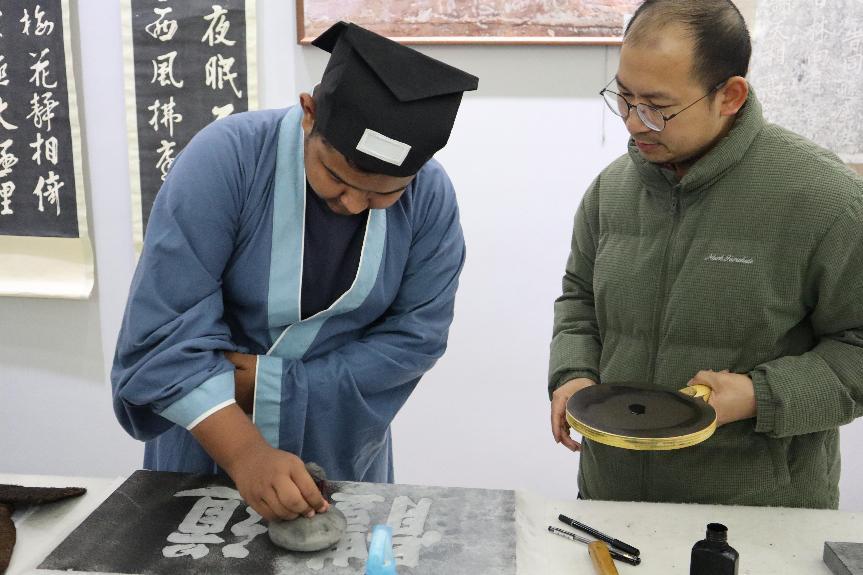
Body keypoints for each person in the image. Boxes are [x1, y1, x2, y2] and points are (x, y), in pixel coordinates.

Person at [112, 22, 478, 522]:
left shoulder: (429, 196)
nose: (352, 204)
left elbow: (416, 337)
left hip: (339, 447)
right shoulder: (228, 159)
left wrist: (266, 383)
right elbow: (165, 329)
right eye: (336, 176)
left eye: (382, 194)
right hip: (211, 432)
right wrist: (246, 453)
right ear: (309, 113)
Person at [548, 0, 863, 508]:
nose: (633, 123)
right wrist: (573, 375)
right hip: (611, 499)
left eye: (658, 106)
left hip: (759, 515)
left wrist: (761, 395)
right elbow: (579, 302)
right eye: (623, 97)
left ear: (730, 96)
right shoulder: (611, 192)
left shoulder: (824, 200)